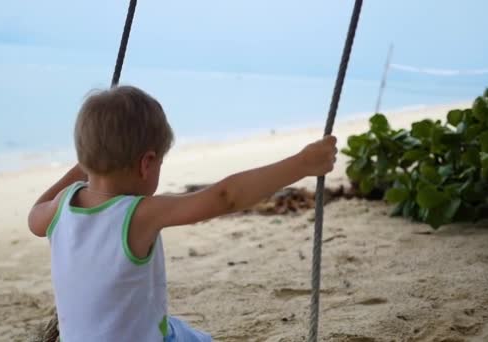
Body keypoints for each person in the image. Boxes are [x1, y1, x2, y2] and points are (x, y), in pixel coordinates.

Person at [28, 85, 337, 341]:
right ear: (146, 164)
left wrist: (85, 166)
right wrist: (303, 164)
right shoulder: (138, 214)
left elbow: (34, 217)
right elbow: (225, 197)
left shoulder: (61, 207)